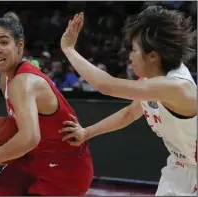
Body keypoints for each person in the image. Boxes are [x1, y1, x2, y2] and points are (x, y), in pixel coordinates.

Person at [60, 6, 197, 196]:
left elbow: (106, 85)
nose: (130, 56)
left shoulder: (177, 88)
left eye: (134, 50)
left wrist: (68, 49)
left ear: (153, 56)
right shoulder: (151, 83)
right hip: (180, 168)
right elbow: (129, 113)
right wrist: (86, 133)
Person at [0, 12, 93, 196]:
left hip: (65, 170)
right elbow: (16, 131)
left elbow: (30, 137)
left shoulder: (24, 82)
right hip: (34, 159)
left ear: (19, 45)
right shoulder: (6, 79)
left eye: (3, 42)